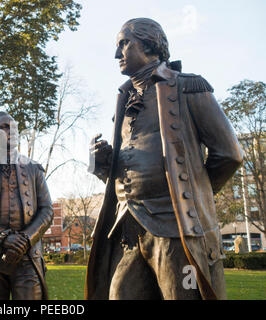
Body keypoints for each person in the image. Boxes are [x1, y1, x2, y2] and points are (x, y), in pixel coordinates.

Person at [86, 18, 243, 300]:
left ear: (149, 43)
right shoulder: (124, 98)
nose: (116, 54)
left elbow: (230, 154)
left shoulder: (189, 87)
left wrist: (195, 193)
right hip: (130, 228)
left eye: (124, 43)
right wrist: (101, 165)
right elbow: (126, 171)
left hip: (175, 229)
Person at [0, 111, 53, 300]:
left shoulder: (33, 168)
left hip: (27, 257)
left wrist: (27, 239)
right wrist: (0, 237)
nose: (10, 131)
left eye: (13, 127)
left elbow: (47, 210)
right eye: (4, 127)